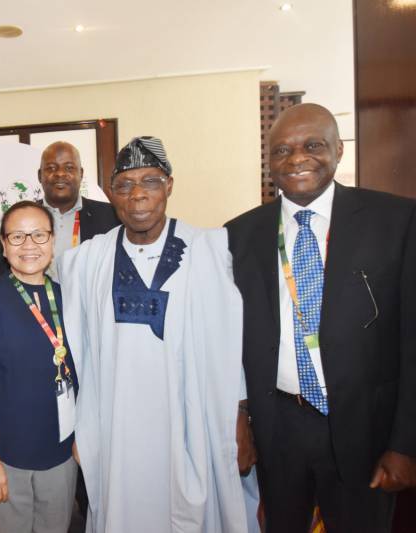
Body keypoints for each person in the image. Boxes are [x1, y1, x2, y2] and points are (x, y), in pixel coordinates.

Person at [226, 103, 416, 533]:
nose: (296, 159)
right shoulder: (239, 235)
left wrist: (406, 445)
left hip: (365, 430)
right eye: (281, 151)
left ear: (338, 150)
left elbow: (412, 340)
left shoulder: (396, 221)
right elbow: (229, 340)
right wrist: (240, 418)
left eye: (312, 145)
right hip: (278, 428)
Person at [60, 137, 253, 533]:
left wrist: (240, 416)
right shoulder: (83, 263)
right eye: (125, 184)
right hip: (117, 429)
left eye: (149, 181)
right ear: (112, 194)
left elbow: (232, 344)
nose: (137, 195)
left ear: (169, 185)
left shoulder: (211, 251)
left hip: (192, 422)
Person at [0, 201, 79, 533]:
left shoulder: (71, 299)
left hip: (62, 457)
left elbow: (86, 378)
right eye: (18, 236)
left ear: (52, 242)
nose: (29, 245)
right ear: (4, 246)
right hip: (5, 459)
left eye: (39, 234)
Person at [0, 141, 119, 279]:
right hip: (33, 300)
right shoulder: (18, 219)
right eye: (51, 168)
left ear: (81, 174)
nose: (60, 174)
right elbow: (1, 277)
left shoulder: (111, 216)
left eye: (69, 168)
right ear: (40, 175)